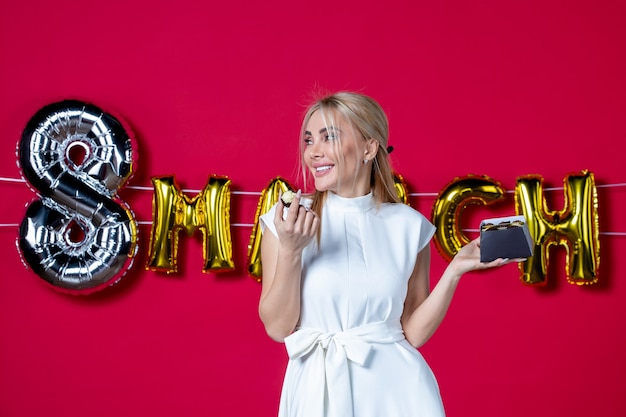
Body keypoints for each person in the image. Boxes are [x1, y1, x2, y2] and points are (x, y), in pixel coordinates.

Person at [258, 92, 520, 417]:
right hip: (317, 390)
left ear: (369, 148)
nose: (314, 152)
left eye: (330, 137)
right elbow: (277, 328)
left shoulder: (409, 226)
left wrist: (454, 270)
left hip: (398, 393)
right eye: (309, 139)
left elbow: (413, 332)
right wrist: (291, 251)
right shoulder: (287, 220)